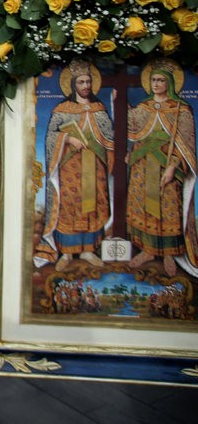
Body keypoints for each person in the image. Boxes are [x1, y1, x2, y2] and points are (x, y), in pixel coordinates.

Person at [35, 59, 114, 272]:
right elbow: (51, 136)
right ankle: (67, 252)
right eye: (81, 82)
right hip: (69, 168)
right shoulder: (63, 109)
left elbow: (109, 137)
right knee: (69, 206)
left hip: (93, 166)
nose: (86, 86)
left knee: (91, 206)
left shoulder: (99, 109)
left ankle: (88, 250)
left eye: (88, 81)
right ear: (73, 85)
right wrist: (68, 139)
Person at [126, 58, 198, 278]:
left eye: (160, 80)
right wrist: (119, 104)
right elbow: (132, 128)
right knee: (144, 208)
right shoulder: (143, 107)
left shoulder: (180, 110)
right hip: (142, 164)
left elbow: (185, 144)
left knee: (168, 209)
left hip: (167, 165)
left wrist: (173, 167)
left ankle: (168, 254)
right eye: (153, 80)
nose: (156, 84)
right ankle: (148, 251)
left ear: (170, 83)